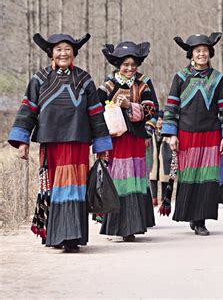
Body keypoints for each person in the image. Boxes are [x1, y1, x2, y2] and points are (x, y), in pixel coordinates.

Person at [8, 33, 112, 253]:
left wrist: (101, 146)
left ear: (74, 53)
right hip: (51, 143)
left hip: (77, 142)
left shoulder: (84, 80)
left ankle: (71, 237)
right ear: (51, 54)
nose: (63, 53)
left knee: (74, 188)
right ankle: (56, 234)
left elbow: (96, 114)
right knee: (53, 188)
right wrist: (22, 141)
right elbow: (28, 110)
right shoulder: (39, 79)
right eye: (58, 49)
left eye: (67, 49)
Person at [161, 32, 223, 235]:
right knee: (189, 176)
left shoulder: (218, 79)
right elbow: (171, 107)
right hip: (186, 134)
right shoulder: (180, 77)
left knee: (207, 178)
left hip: (211, 134)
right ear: (191, 54)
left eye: (205, 51)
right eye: (198, 51)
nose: (202, 54)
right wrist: (171, 134)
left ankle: (201, 220)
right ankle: (191, 216)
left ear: (209, 53)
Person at [98, 41, 156, 241]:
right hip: (117, 141)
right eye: (125, 64)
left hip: (137, 139)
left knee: (136, 179)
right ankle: (119, 225)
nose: (130, 68)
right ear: (117, 65)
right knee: (119, 179)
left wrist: (130, 105)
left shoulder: (144, 83)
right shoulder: (107, 85)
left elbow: (152, 109)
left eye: (133, 64)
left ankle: (134, 224)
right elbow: (96, 109)